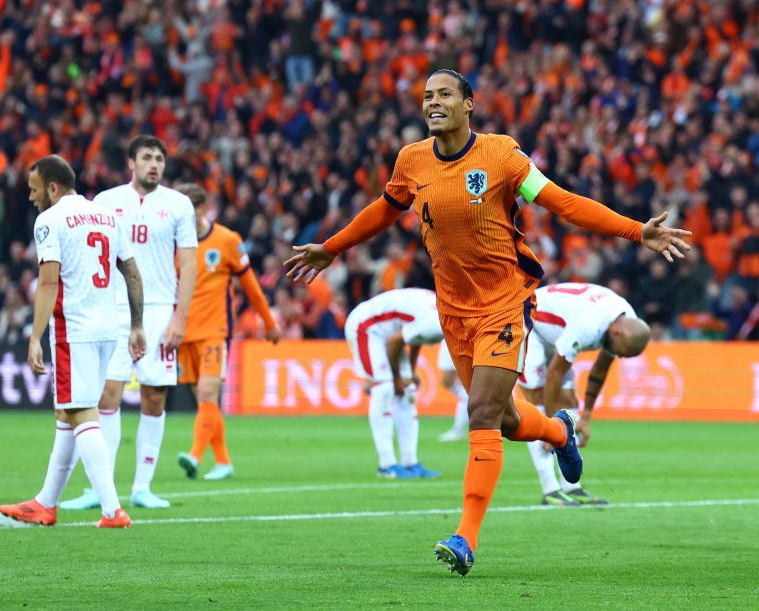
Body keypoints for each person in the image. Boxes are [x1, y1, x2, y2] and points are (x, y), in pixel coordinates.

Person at [285, 69, 691, 576]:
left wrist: (635, 231)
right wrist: (332, 247)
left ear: (468, 104)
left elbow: (561, 202)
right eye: (427, 95)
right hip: (452, 309)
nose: (433, 102)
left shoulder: (502, 155)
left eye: (444, 95)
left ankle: (465, 538)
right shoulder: (412, 161)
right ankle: (560, 433)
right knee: (502, 418)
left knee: (480, 412)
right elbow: (383, 211)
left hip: (504, 302)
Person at [0, 155, 146, 528]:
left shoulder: (50, 220)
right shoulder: (106, 215)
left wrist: (34, 337)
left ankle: (112, 510)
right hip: (107, 328)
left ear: (52, 187)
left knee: (81, 413)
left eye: (34, 190)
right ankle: (45, 503)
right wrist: (137, 324)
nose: (32, 198)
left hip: (72, 330)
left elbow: (49, 281)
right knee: (68, 411)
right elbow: (130, 270)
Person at [61, 136, 197, 510]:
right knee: (107, 395)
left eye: (159, 159)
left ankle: (142, 486)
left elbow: (188, 265)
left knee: (154, 396)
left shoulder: (178, 205)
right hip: (114, 309)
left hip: (158, 311)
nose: (154, 164)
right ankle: (97, 489)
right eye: (147, 158)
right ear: (131, 163)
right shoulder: (106, 202)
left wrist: (179, 319)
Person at [173, 183, 280, 481]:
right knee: (205, 402)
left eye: (188, 211)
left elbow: (252, 287)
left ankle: (194, 456)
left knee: (208, 393)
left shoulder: (227, 240)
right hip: (184, 333)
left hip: (215, 330)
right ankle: (223, 462)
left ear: (203, 208)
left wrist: (269, 323)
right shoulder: (174, 243)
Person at [518, 282, 650, 507]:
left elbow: (600, 368)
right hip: (527, 322)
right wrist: (552, 430)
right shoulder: (589, 325)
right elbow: (554, 376)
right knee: (538, 397)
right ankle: (550, 489)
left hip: (556, 334)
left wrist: (587, 415)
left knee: (568, 401)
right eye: (621, 352)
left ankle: (572, 486)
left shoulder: (626, 320)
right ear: (616, 332)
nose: (619, 356)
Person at [345, 287, 444, 479]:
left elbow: (416, 338)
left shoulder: (442, 316)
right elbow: (395, 342)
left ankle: (410, 462)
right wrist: (397, 378)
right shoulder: (437, 323)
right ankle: (387, 465)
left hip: (390, 330)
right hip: (367, 326)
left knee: (407, 391)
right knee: (384, 388)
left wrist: (411, 371)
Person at [436, 339, 469, 442]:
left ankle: (458, 430)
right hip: (449, 334)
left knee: (468, 381)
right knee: (447, 380)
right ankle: (471, 399)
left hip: (469, 335)